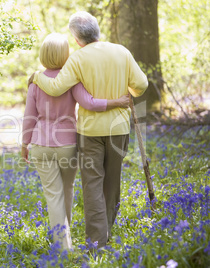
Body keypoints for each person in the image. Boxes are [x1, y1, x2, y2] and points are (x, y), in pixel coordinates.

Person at [29, 11, 148, 249]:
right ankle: (106, 234)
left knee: (92, 185)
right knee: (112, 183)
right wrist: (126, 93)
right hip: (118, 129)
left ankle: (96, 242)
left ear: (76, 39)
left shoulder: (77, 59)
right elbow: (141, 85)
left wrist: (35, 77)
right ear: (98, 31)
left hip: (90, 131)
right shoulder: (121, 52)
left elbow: (55, 88)